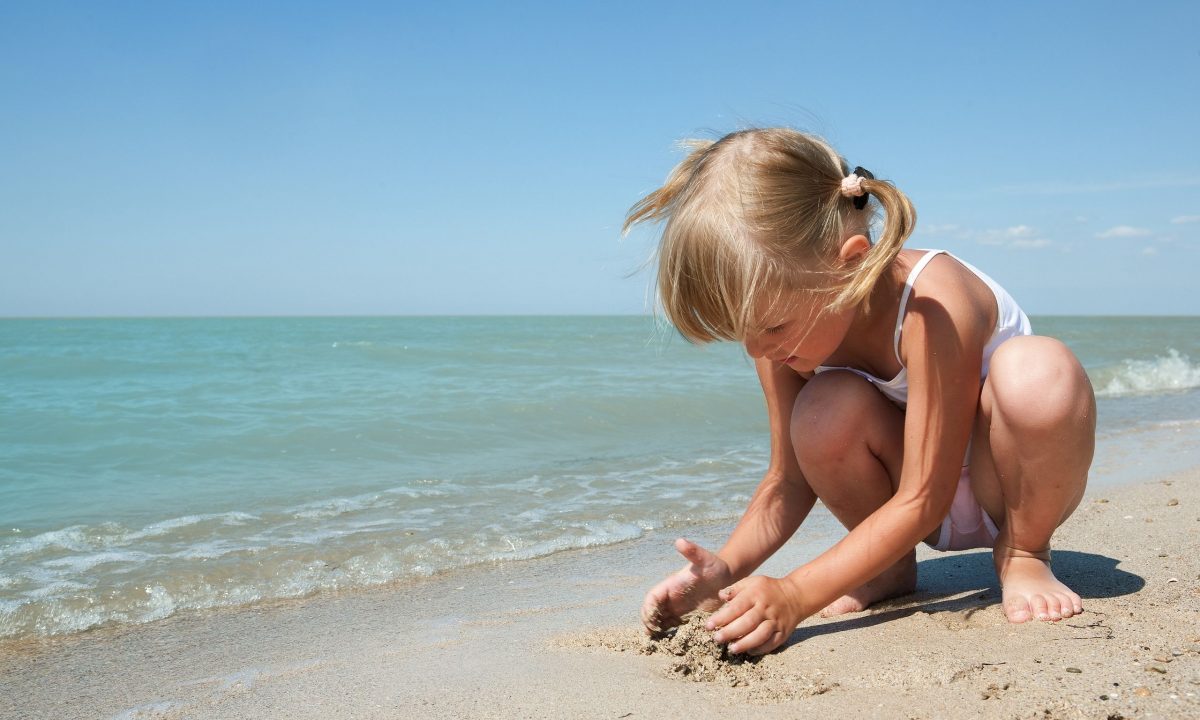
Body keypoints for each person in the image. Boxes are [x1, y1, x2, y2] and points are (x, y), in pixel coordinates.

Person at [624, 128, 1096, 657]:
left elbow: (925, 497)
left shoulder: (933, 302)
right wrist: (723, 569)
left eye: (772, 327)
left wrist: (795, 594)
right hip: (905, 502)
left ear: (850, 262)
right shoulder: (780, 341)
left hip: (1010, 482)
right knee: (823, 410)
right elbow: (788, 480)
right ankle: (888, 569)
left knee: (1039, 370)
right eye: (742, 333)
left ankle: (1025, 554)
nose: (758, 348)